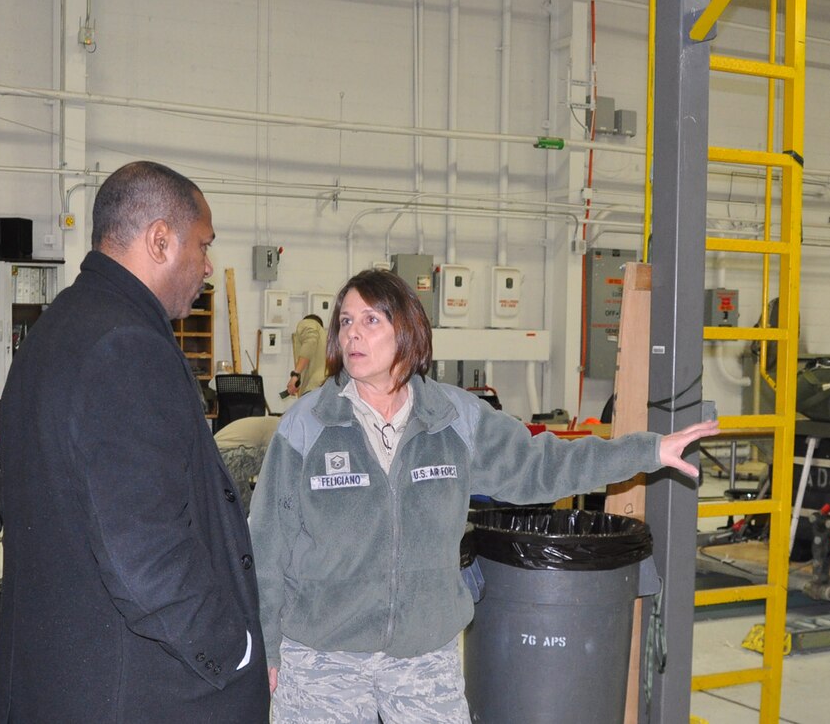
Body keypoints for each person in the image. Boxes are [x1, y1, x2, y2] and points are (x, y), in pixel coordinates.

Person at [249, 268, 719, 722]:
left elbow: (542, 464)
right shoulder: (307, 426)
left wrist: (647, 450)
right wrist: (266, 645)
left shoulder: (454, 418)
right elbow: (268, 543)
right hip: (322, 658)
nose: (353, 333)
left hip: (422, 656)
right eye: (346, 321)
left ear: (408, 330)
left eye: (372, 320)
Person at [0, 161, 269, 723]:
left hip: (58, 675)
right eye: (202, 245)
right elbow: (146, 553)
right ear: (160, 240)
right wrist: (232, 649)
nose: (207, 267)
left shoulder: (56, 331)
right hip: (136, 691)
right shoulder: (126, 347)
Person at [215, 414, 281, 515]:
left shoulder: (276, 422)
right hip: (229, 456)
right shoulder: (283, 430)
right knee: (242, 507)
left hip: (218, 454)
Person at [285, 313, 328, 397]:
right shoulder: (326, 339)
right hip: (325, 388)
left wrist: (295, 375)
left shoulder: (307, 323)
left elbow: (310, 342)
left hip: (314, 389)